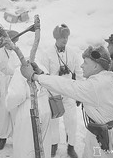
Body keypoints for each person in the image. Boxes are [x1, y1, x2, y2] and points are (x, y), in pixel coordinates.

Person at [21, 45, 113, 158]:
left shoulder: (98, 84)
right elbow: (66, 84)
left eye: (85, 62)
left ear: (96, 66)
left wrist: (35, 76)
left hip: (111, 140)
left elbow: (68, 86)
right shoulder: (101, 80)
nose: (82, 66)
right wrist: (41, 74)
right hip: (101, 134)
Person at [36, 24, 82, 157]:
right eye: (62, 37)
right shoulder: (47, 53)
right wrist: (47, 93)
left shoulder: (72, 52)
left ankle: (71, 146)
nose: (65, 40)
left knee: (72, 120)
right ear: (56, 37)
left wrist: (79, 94)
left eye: (66, 37)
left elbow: (79, 72)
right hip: (53, 93)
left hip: (69, 91)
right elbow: (43, 74)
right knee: (53, 121)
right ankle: (53, 145)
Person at [6, 61, 53, 158]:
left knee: (26, 145)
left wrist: (8, 104)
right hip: (45, 108)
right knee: (43, 143)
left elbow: (17, 95)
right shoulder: (42, 66)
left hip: (29, 110)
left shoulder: (21, 70)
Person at [0, 31, 21, 150]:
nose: (10, 43)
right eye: (7, 41)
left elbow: (22, 68)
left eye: (13, 41)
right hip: (2, 83)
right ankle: (3, 137)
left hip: (15, 83)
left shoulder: (18, 52)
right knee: (2, 111)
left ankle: (17, 137)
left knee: (16, 111)